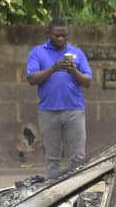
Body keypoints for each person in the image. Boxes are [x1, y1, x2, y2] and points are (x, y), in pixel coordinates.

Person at [26, 18, 93, 179]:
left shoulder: (77, 53)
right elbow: (32, 79)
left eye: (64, 36)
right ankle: (54, 197)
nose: (61, 39)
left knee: (78, 158)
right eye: (57, 36)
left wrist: (74, 71)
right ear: (49, 33)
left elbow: (87, 82)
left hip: (74, 111)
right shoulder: (38, 52)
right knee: (52, 158)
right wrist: (53, 68)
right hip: (48, 111)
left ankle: (77, 194)